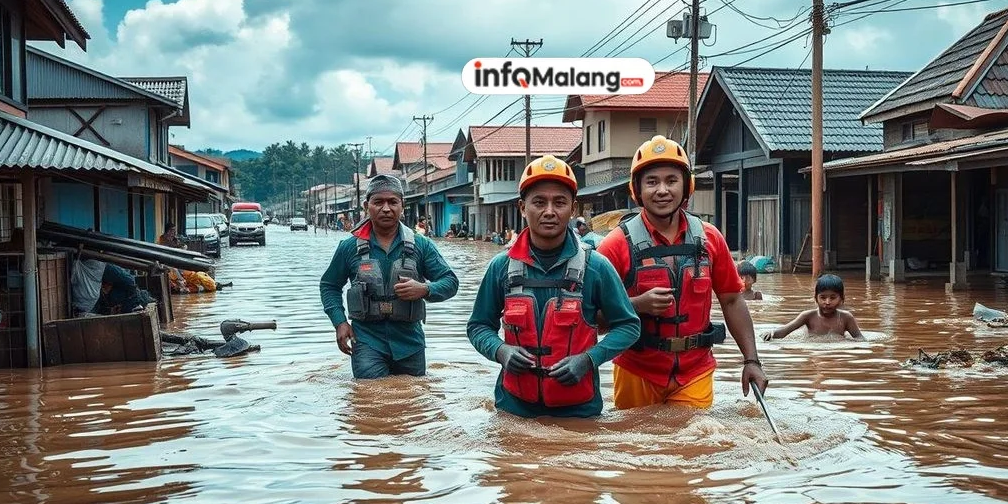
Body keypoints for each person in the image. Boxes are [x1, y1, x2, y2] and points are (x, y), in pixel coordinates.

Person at [596, 135, 768, 409]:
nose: (662, 190)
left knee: (694, 444)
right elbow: (591, 317)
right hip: (636, 369)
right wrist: (637, 305)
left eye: (671, 180)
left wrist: (752, 361)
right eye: (652, 181)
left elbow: (732, 300)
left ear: (687, 186)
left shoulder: (710, 238)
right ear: (637, 189)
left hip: (695, 370)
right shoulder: (615, 245)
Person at [467, 155, 640, 419]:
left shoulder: (596, 267)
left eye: (559, 202)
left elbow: (629, 326)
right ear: (522, 207)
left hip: (580, 411)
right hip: (513, 408)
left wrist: (589, 360)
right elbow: (478, 326)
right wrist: (500, 350)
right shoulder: (500, 267)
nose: (549, 211)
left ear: (573, 209)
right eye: (539, 202)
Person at [320, 174, 460, 379]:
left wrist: (425, 289)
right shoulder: (349, 247)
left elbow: (450, 282)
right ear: (367, 205)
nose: (386, 208)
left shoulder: (422, 245)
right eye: (378, 202)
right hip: (367, 342)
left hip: (410, 343)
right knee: (370, 398)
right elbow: (329, 285)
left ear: (402, 206)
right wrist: (340, 322)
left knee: (414, 402)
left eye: (393, 202)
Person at [763, 274, 862, 341]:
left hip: (837, 356)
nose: (827, 302)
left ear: (842, 299)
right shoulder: (808, 316)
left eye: (833, 297)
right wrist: (772, 334)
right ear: (815, 298)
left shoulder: (846, 318)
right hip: (815, 354)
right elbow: (785, 331)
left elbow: (859, 338)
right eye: (823, 297)